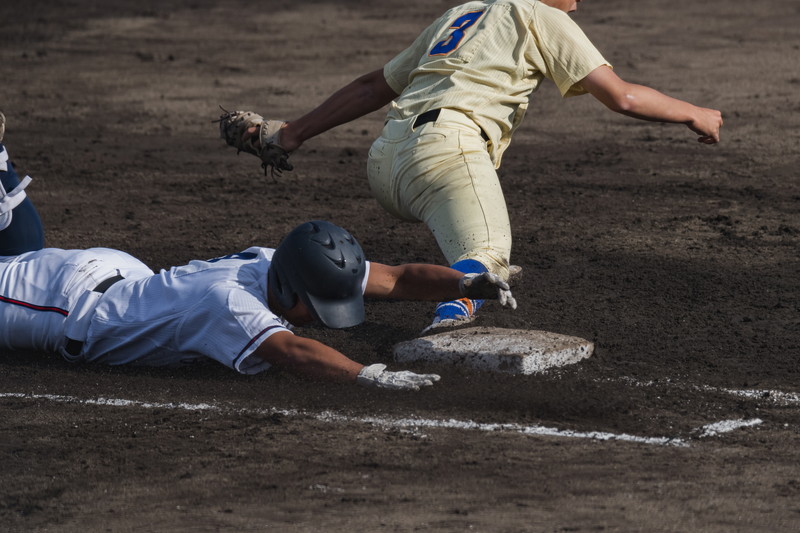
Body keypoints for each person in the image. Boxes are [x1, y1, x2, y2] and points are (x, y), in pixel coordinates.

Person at [220, 0, 723, 332]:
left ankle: (445, 273)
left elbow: (375, 87)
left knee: (470, 243)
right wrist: (695, 113)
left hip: (386, 161)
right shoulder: (541, 15)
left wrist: (291, 134)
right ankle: (450, 313)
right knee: (489, 259)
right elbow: (623, 96)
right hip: (445, 153)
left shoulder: (463, 12)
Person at [0, 121, 516, 391]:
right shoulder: (230, 303)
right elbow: (292, 352)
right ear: (290, 289)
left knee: (18, 253)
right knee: (14, 265)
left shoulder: (288, 260)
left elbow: (398, 279)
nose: (317, 319)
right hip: (64, 307)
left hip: (106, 278)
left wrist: (464, 284)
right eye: (314, 308)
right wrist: (370, 375)